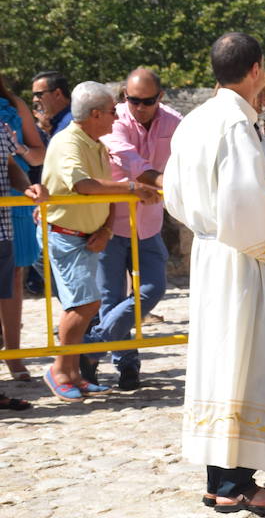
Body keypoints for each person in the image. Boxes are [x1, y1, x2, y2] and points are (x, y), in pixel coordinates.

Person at [163, 32, 265, 513]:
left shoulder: (194, 121)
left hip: (210, 253)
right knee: (244, 365)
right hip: (242, 258)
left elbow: (175, 196)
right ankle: (237, 484)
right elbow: (251, 202)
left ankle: (220, 479)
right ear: (257, 69)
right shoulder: (235, 126)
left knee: (220, 365)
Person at [39, 82, 159, 401]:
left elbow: (103, 193)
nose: (116, 116)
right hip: (66, 236)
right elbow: (84, 186)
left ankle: (74, 373)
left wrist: (105, 229)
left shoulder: (94, 142)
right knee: (83, 305)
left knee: (86, 304)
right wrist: (132, 189)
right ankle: (59, 370)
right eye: (111, 111)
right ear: (95, 114)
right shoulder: (68, 143)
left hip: (88, 237)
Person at [85, 68, 180, 391]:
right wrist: (165, 182)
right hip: (111, 222)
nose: (137, 106)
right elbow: (130, 161)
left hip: (149, 221)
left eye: (146, 101)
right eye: (132, 99)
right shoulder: (115, 120)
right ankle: (127, 366)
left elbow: (187, 155)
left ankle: (92, 345)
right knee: (112, 299)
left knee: (153, 289)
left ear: (160, 97)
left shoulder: (174, 121)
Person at [0, 73, 45, 380]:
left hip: (10, 205)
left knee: (14, 276)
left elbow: (14, 163)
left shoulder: (12, 107)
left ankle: (13, 354)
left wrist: (28, 186)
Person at [31, 71, 72, 136]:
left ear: (57, 94)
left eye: (39, 94)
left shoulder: (71, 123)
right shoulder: (57, 123)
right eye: (34, 95)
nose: (34, 99)